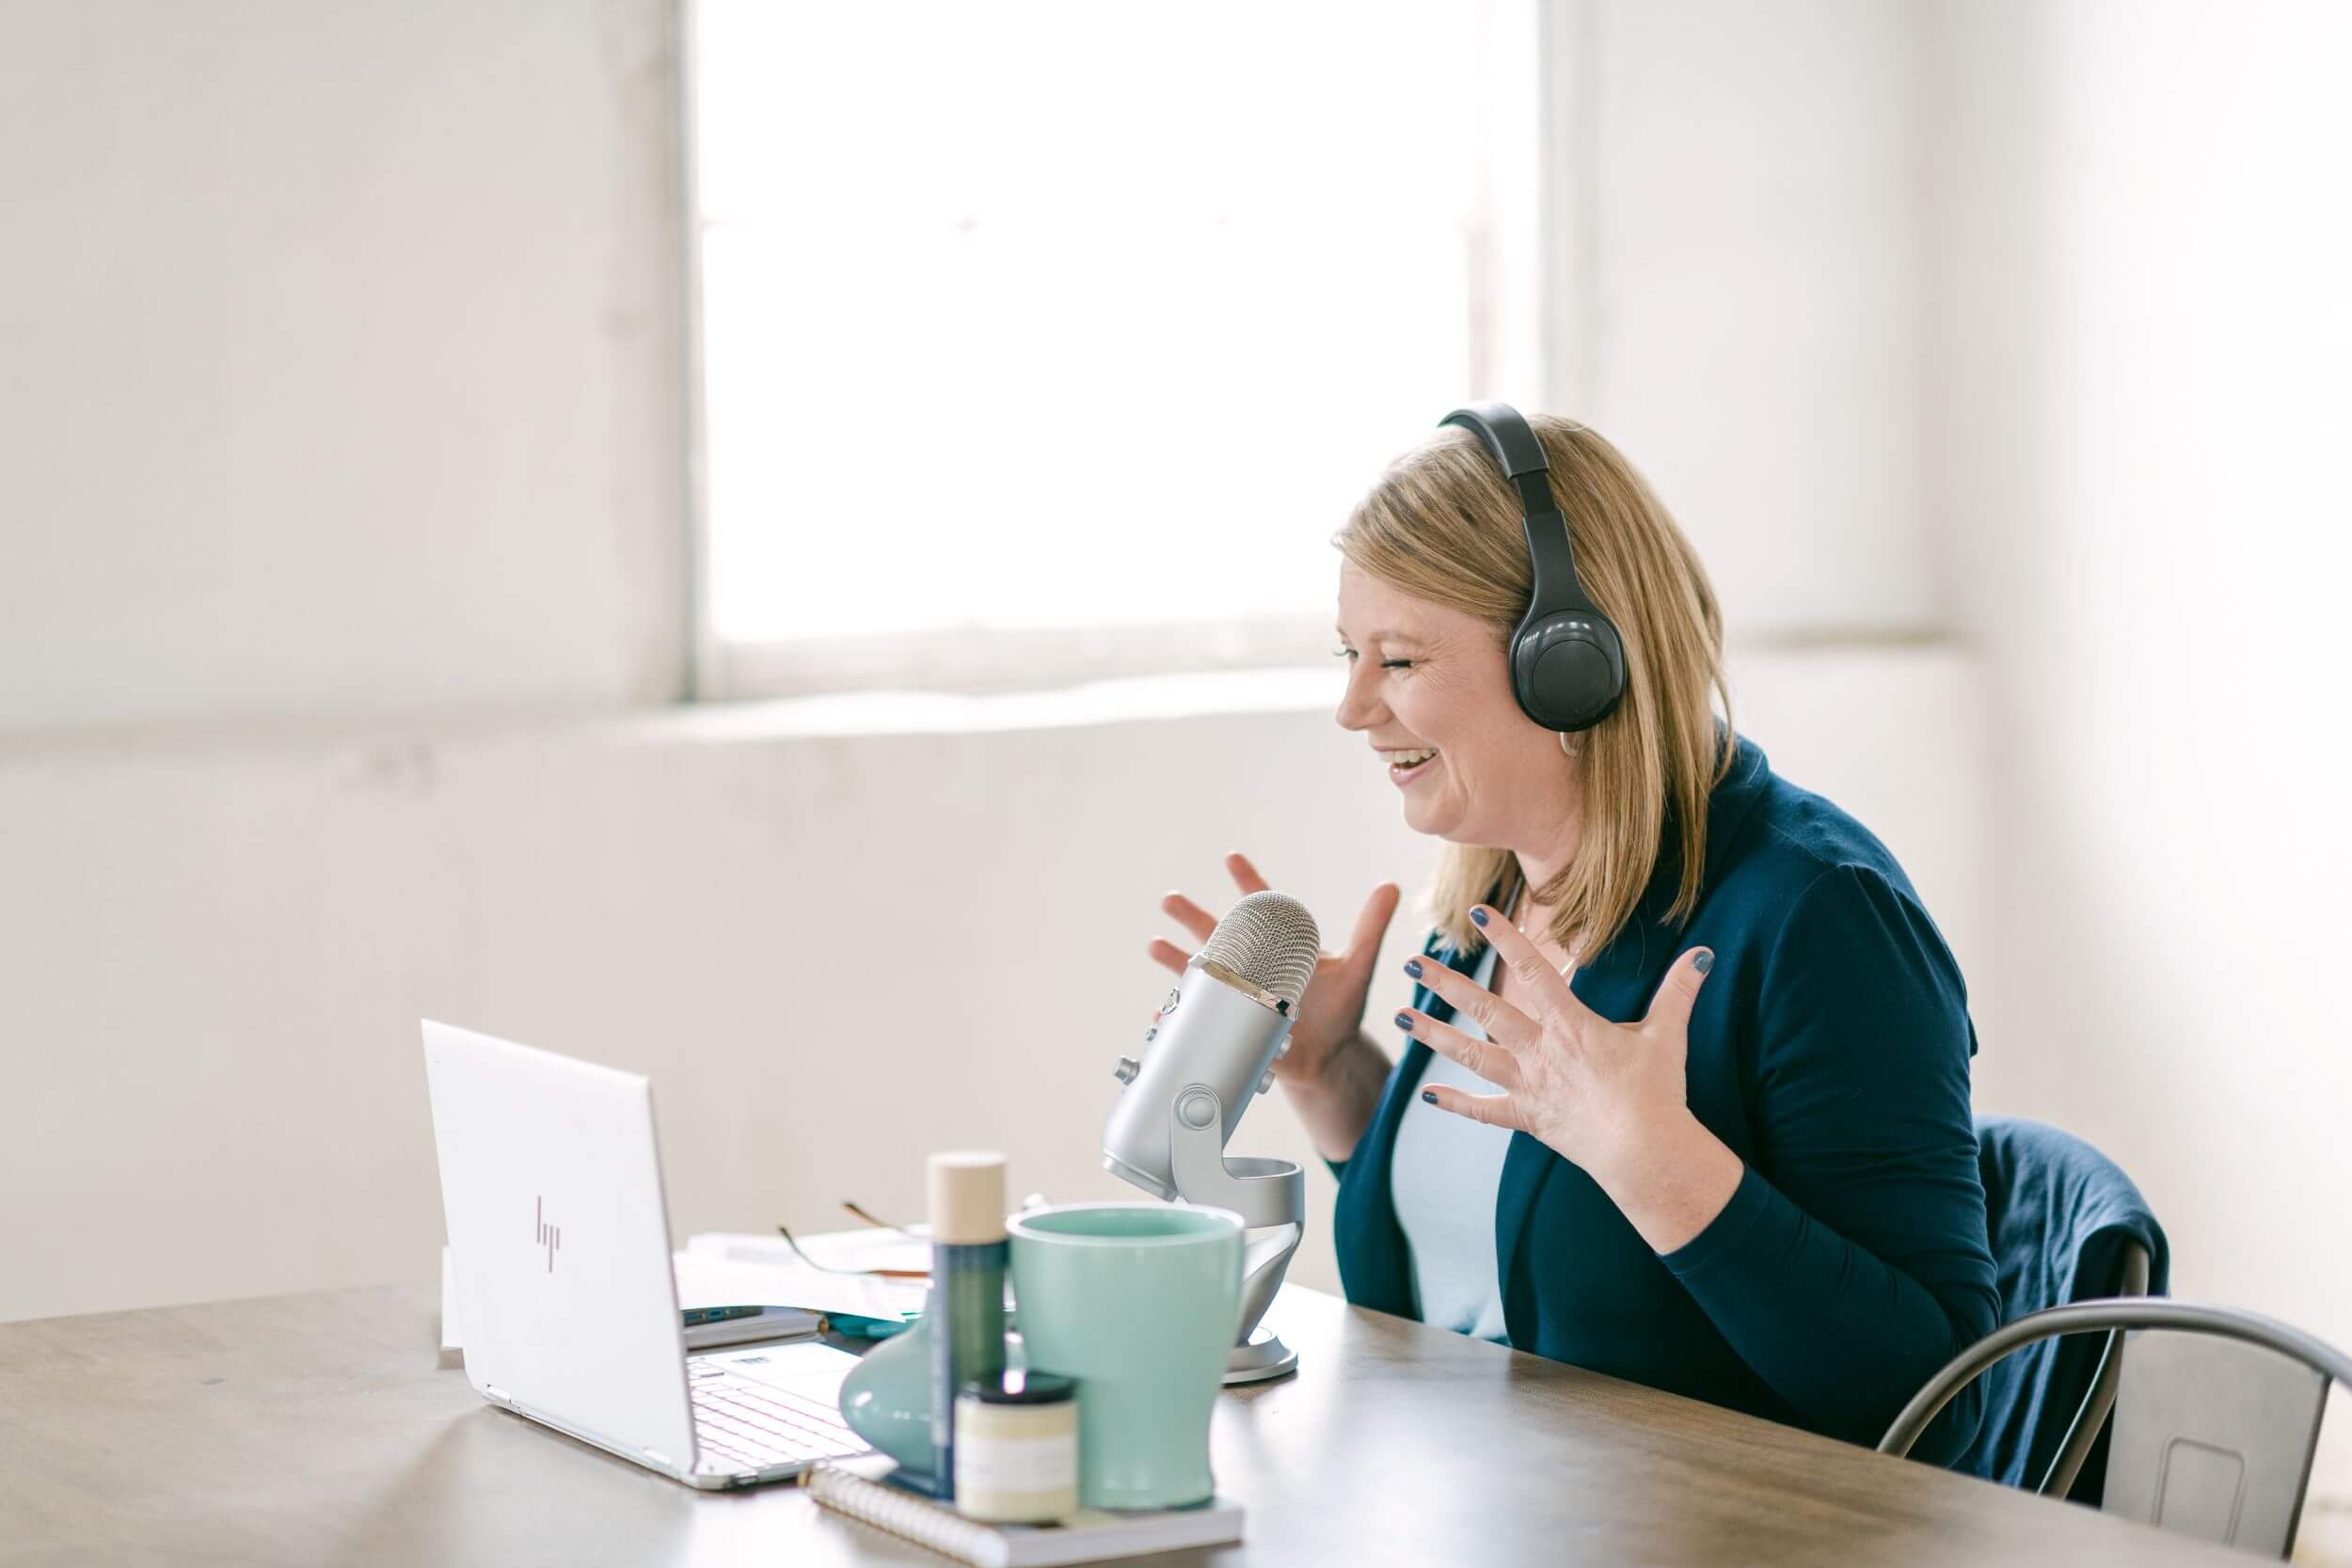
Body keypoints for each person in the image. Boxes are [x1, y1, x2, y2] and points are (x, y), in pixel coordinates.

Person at [1150, 413, 1997, 1462]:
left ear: (1568, 662)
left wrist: (1655, 1160)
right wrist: (1331, 1073)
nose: (1354, 706)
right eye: (1348, 654)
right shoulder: (1502, 888)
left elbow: (1939, 1402)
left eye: (1399, 659)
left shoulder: (1822, 916)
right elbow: (1485, 1250)